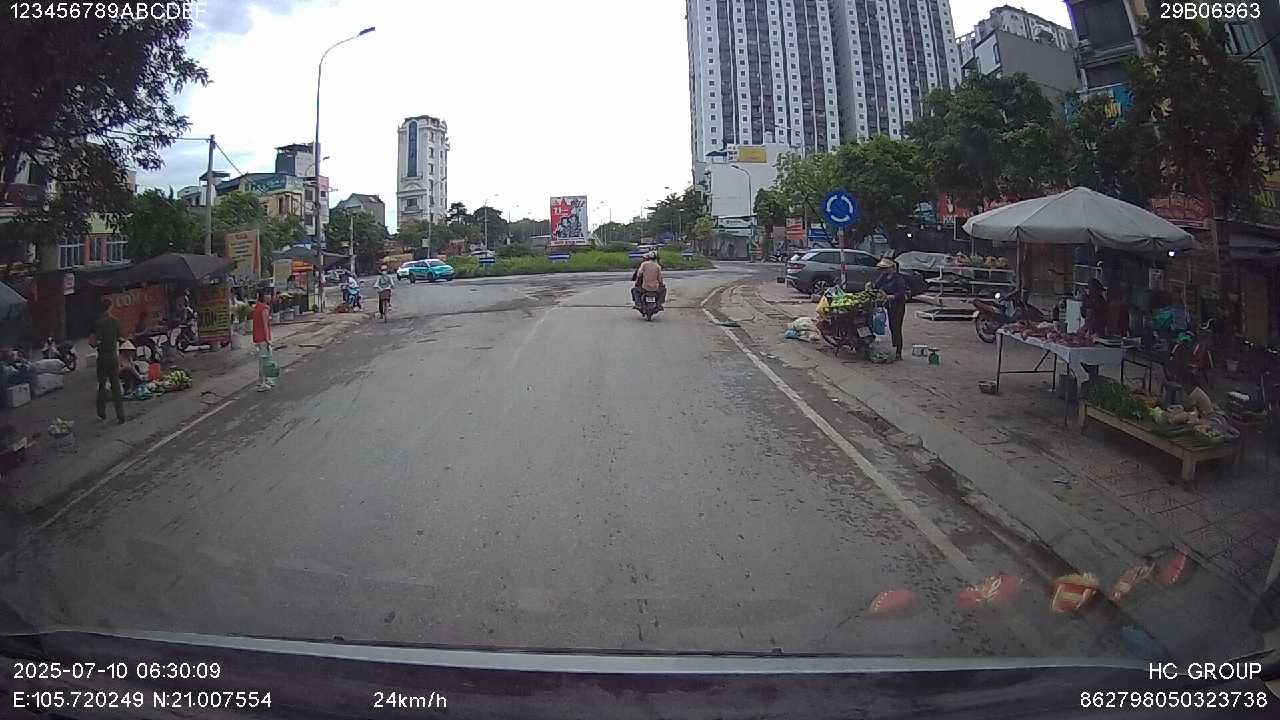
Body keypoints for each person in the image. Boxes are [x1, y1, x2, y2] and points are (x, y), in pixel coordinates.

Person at [92, 297, 126, 423]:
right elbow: (120, 338)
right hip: (113, 357)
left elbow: (97, 342)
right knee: (116, 386)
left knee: (102, 385)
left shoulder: (99, 323)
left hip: (103, 358)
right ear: (110, 307)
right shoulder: (115, 321)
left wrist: (94, 343)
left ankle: (101, 412)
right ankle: (121, 415)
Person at [869, 258, 909, 360]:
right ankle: (894, 348)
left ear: (892, 268)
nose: (883, 270)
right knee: (891, 327)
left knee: (896, 328)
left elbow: (901, 292)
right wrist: (871, 288)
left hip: (898, 305)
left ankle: (898, 352)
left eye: (885, 268)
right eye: (882, 269)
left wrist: (891, 296)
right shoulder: (884, 276)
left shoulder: (898, 278)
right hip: (888, 305)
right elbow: (876, 286)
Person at [252, 288, 274, 391]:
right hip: (263, 339)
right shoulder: (264, 308)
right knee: (264, 361)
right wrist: (268, 339)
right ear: (263, 296)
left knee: (265, 360)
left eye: (269, 294)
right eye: (267, 294)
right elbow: (265, 325)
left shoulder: (257, 307)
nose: (269, 296)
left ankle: (267, 379)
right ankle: (262, 383)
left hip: (258, 338)